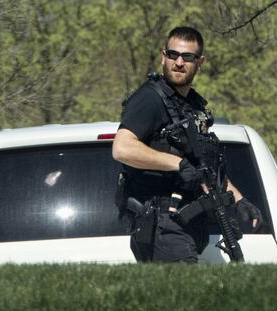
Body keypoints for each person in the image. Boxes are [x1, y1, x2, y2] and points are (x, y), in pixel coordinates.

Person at [112, 26, 261, 263]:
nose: (178, 62)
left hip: (189, 226)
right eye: (173, 55)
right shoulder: (151, 99)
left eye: (187, 57)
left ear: (200, 62)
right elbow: (122, 148)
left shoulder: (192, 106)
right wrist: (177, 163)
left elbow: (204, 167)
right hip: (162, 226)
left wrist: (239, 199)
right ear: (164, 56)